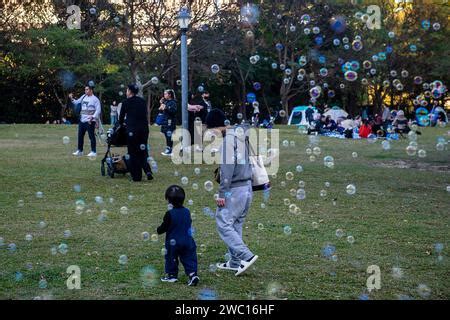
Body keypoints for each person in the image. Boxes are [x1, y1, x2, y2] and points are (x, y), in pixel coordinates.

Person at [205, 108, 258, 276]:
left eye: (210, 129)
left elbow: (227, 170)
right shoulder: (241, 135)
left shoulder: (228, 140)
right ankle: (235, 262)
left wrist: (222, 194)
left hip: (234, 189)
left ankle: (246, 256)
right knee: (235, 224)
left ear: (215, 126)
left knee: (223, 222)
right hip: (247, 187)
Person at [157, 185, 199, 286]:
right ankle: (193, 275)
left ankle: (172, 276)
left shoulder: (169, 213)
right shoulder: (187, 211)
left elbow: (164, 227)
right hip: (188, 241)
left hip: (173, 242)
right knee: (189, 257)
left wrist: (158, 230)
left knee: (171, 257)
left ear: (168, 201)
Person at [118, 84, 153, 181]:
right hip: (144, 130)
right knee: (143, 151)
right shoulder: (142, 101)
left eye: (127, 90)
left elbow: (120, 118)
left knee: (133, 153)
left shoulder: (126, 102)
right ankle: (148, 171)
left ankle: (137, 176)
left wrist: (122, 124)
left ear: (129, 91)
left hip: (132, 131)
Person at [69, 82, 101, 157]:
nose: (85, 91)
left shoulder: (95, 99)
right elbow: (76, 102)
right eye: (85, 89)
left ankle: (93, 151)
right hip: (82, 120)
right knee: (80, 135)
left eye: (87, 89)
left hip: (90, 121)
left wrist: (93, 117)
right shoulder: (83, 96)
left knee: (91, 136)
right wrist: (71, 98)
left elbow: (98, 110)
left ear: (91, 90)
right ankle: (80, 151)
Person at [160, 89, 177, 156]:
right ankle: (168, 149)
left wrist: (166, 107)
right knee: (166, 135)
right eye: (164, 94)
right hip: (165, 121)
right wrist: (162, 103)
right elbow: (161, 109)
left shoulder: (173, 102)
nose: (164, 95)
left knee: (169, 135)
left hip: (170, 121)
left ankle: (169, 150)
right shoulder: (166, 102)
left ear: (169, 95)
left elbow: (173, 111)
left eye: (165, 94)